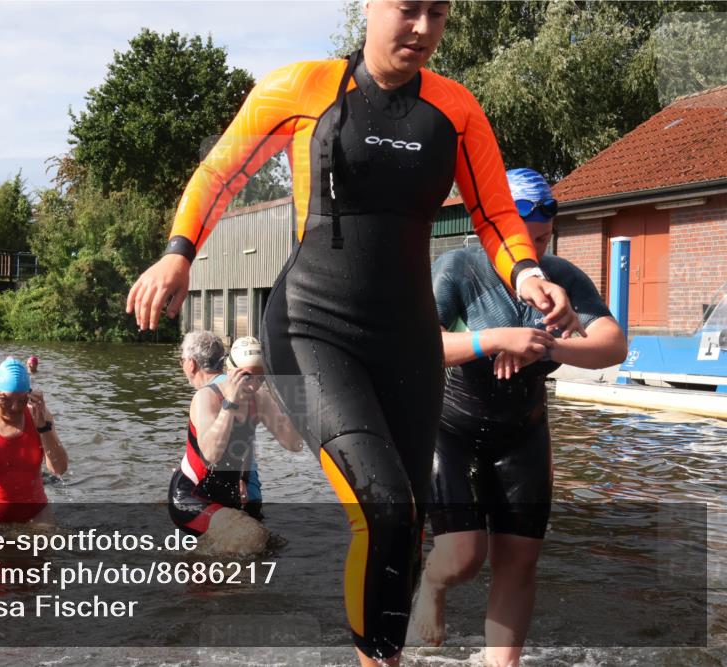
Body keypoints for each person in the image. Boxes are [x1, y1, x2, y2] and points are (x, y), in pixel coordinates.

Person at [125, 3, 584, 664]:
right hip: (311, 327)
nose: (423, 27)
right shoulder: (303, 88)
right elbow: (220, 173)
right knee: (386, 509)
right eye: (408, 8)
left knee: (407, 524)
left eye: (439, 11)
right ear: (370, 6)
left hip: (409, 343)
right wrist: (178, 251)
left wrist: (528, 275)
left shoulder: (456, 110)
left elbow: (495, 213)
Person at [411, 168, 627, 665]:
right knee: (465, 556)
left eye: (543, 239)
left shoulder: (563, 278)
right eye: (521, 241)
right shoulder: (459, 268)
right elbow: (416, 346)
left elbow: (614, 344)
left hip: (524, 435)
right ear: (493, 230)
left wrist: (545, 347)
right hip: (454, 429)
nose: (532, 253)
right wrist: (495, 339)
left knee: (519, 562)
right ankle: (433, 582)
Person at [169, 333, 302, 552]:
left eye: (262, 377)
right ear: (230, 371)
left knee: (266, 546)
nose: (254, 385)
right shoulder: (207, 397)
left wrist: (288, 399)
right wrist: (229, 403)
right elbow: (211, 454)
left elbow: (293, 444)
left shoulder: (259, 398)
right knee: (250, 537)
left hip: (227, 496)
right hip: (191, 497)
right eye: (247, 376)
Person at [0, 358, 68, 523]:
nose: (15, 407)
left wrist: (43, 427)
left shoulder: (39, 416)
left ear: (29, 395)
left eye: (22, 401)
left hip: (35, 513)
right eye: (6, 400)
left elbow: (59, 469)